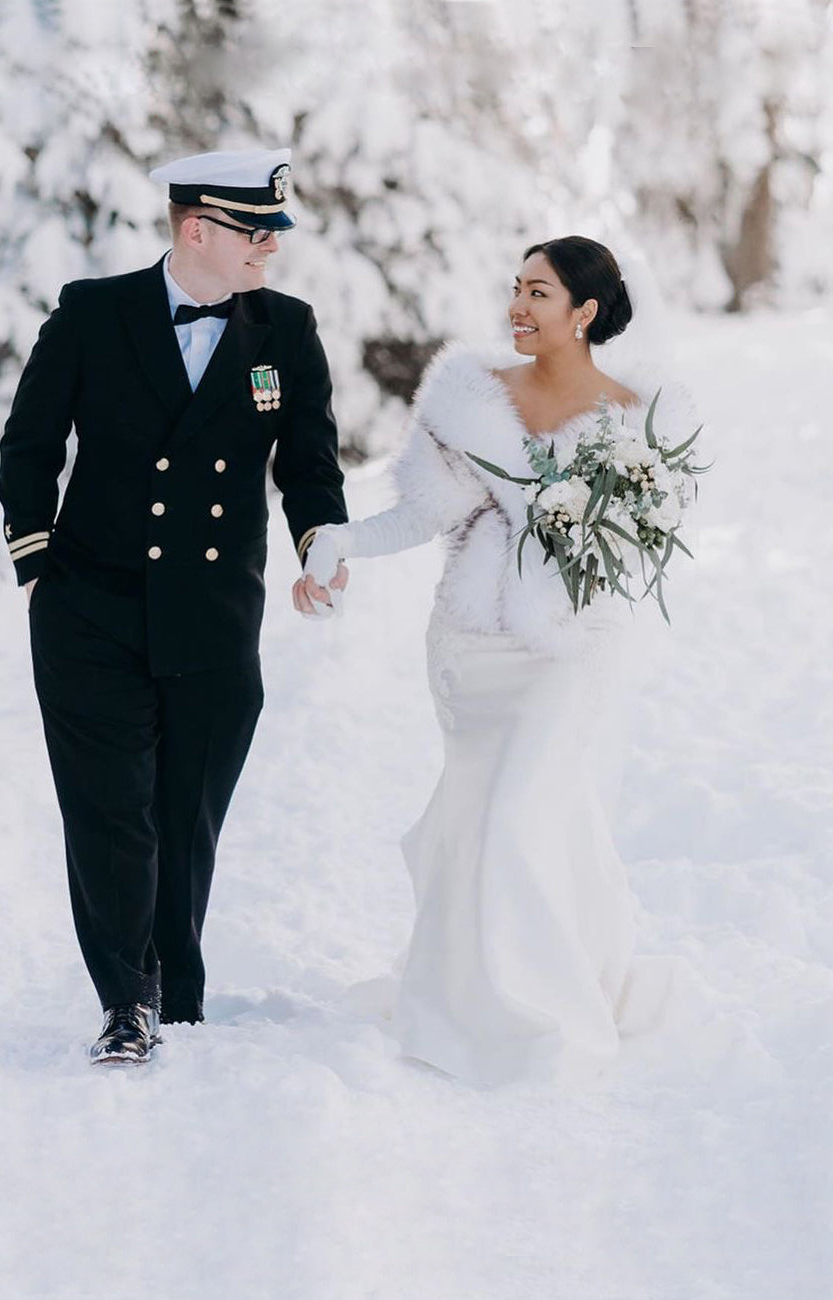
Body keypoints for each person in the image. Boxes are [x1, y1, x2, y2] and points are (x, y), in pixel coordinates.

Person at [302, 237, 698, 1085]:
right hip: (472, 644)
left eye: (538, 292)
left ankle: (538, 1006)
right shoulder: (469, 398)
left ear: (584, 312)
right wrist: (336, 543)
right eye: (514, 288)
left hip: (568, 646)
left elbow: (641, 545)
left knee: (525, 806)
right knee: (497, 813)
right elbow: (421, 516)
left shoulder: (636, 418)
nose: (516, 306)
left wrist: (585, 533)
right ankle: (472, 987)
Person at [0, 148, 348, 1065]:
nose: (270, 247)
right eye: (255, 230)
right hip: (90, 612)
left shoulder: (287, 329)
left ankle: (174, 991)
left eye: (275, 230)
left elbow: (308, 463)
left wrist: (322, 543)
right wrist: (35, 560)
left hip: (215, 616)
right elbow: (29, 443)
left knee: (184, 818)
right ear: (198, 227)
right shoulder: (91, 314)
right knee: (111, 814)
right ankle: (126, 999)